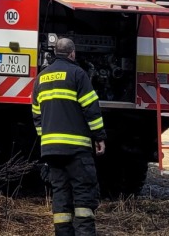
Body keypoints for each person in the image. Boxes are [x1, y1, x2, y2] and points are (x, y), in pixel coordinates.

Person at [31, 37, 106, 236]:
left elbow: (36, 115)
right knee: (83, 198)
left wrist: (46, 139)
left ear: (56, 53)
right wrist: (99, 137)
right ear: (72, 54)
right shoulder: (78, 74)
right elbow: (91, 108)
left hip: (51, 151)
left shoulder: (41, 77)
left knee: (60, 197)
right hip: (77, 150)